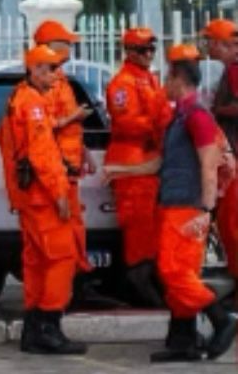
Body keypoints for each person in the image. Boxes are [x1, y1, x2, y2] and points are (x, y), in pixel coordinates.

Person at [0, 44, 87, 355]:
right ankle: (48, 326)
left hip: (28, 196)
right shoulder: (32, 103)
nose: (55, 75)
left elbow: (7, 143)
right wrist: (59, 192)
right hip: (42, 196)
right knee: (62, 258)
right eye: (50, 69)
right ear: (34, 70)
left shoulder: (18, 97)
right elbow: (42, 154)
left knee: (36, 262)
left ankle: (33, 330)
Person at [151, 44, 238, 362]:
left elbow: (208, 164)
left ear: (179, 79)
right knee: (182, 273)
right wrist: (120, 170)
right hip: (176, 203)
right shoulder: (182, 116)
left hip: (187, 207)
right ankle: (182, 340)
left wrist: (206, 210)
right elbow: (163, 163)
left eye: (167, 78)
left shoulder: (196, 116)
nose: (163, 84)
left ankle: (221, 320)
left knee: (173, 271)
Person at [104, 26, 172, 306]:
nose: (149, 54)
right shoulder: (122, 83)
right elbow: (127, 123)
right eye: (144, 49)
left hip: (149, 158)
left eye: (152, 49)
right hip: (131, 159)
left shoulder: (150, 79)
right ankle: (138, 279)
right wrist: (161, 125)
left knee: (152, 225)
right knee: (138, 225)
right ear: (129, 51)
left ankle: (147, 278)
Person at [33, 20, 93, 276]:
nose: (70, 49)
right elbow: (45, 125)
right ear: (52, 47)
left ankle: (75, 275)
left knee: (73, 225)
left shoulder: (60, 79)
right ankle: (70, 280)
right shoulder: (46, 82)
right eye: (66, 44)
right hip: (58, 169)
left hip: (69, 167)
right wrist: (75, 116)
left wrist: (84, 151)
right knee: (64, 229)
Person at [203, 18, 238, 287]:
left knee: (232, 226)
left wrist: (214, 111)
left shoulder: (234, 70)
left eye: (209, 41)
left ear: (220, 44)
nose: (206, 47)